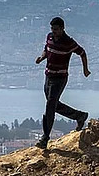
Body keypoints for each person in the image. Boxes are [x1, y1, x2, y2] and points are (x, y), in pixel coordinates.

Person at [34, 16, 91, 149]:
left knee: (50, 107)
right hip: (48, 76)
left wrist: (85, 69)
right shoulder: (49, 37)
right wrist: (41, 58)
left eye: (56, 29)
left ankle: (44, 138)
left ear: (62, 29)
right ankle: (80, 116)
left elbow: (82, 53)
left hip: (59, 79)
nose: (54, 31)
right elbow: (46, 49)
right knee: (53, 105)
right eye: (52, 29)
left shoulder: (69, 42)